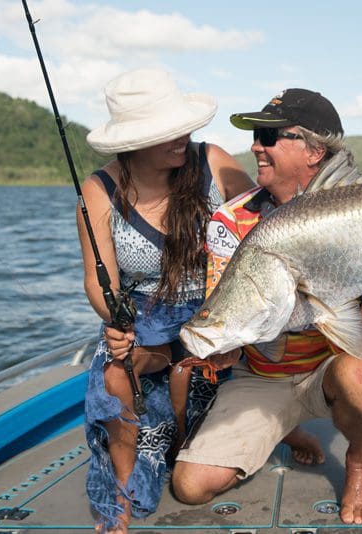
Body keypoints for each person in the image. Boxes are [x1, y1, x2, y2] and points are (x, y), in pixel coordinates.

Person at [170, 89, 362, 525]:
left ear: (316, 151)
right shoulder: (228, 222)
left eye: (270, 135)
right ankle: (283, 424)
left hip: (332, 366)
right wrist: (226, 345)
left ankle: (359, 464)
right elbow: (233, 311)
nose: (256, 145)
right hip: (260, 374)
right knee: (189, 487)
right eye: (256, 135)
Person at [78, 67, 254, 533]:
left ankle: (213, 429)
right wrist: (114, 321)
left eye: (182, 127)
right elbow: (100, 282)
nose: (183, 137)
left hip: (218, 306)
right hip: (142, 314)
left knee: (229, 384)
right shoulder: (99, 190)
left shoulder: (214, 161)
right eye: (166, 132)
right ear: (133, 141)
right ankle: (120, 485)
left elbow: (263, 230)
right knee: (115, 372)